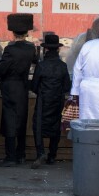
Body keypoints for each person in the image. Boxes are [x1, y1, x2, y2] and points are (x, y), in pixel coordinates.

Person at [0, 14, 38, 166]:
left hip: (10, 87)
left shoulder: (10, 49)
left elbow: (1, 70)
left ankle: (10, 157)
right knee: (21, 119)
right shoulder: (31, 48)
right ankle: (21, 154)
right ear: (27, 32)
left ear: (13, 32)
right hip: (22, 87)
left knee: (9, 121)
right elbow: (35, 61)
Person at [30, 34, 70, 169]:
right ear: (58, 50)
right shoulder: (63, 66)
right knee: (55, 127)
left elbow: (34, 86)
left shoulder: (41, 66)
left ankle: (40, 153)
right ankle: (52, 155)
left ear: (45, 49)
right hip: (57, 101)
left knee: (38, 126)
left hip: (43, 101)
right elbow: (67, 87)